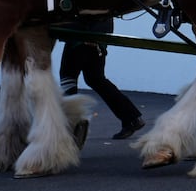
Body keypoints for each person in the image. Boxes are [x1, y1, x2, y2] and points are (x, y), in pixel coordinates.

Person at [59, 14, 145, 144]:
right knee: (95, 79)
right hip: (97, 35)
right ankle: (132, 118)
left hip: (81, 34)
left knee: (68, 78)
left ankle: (72, 127)